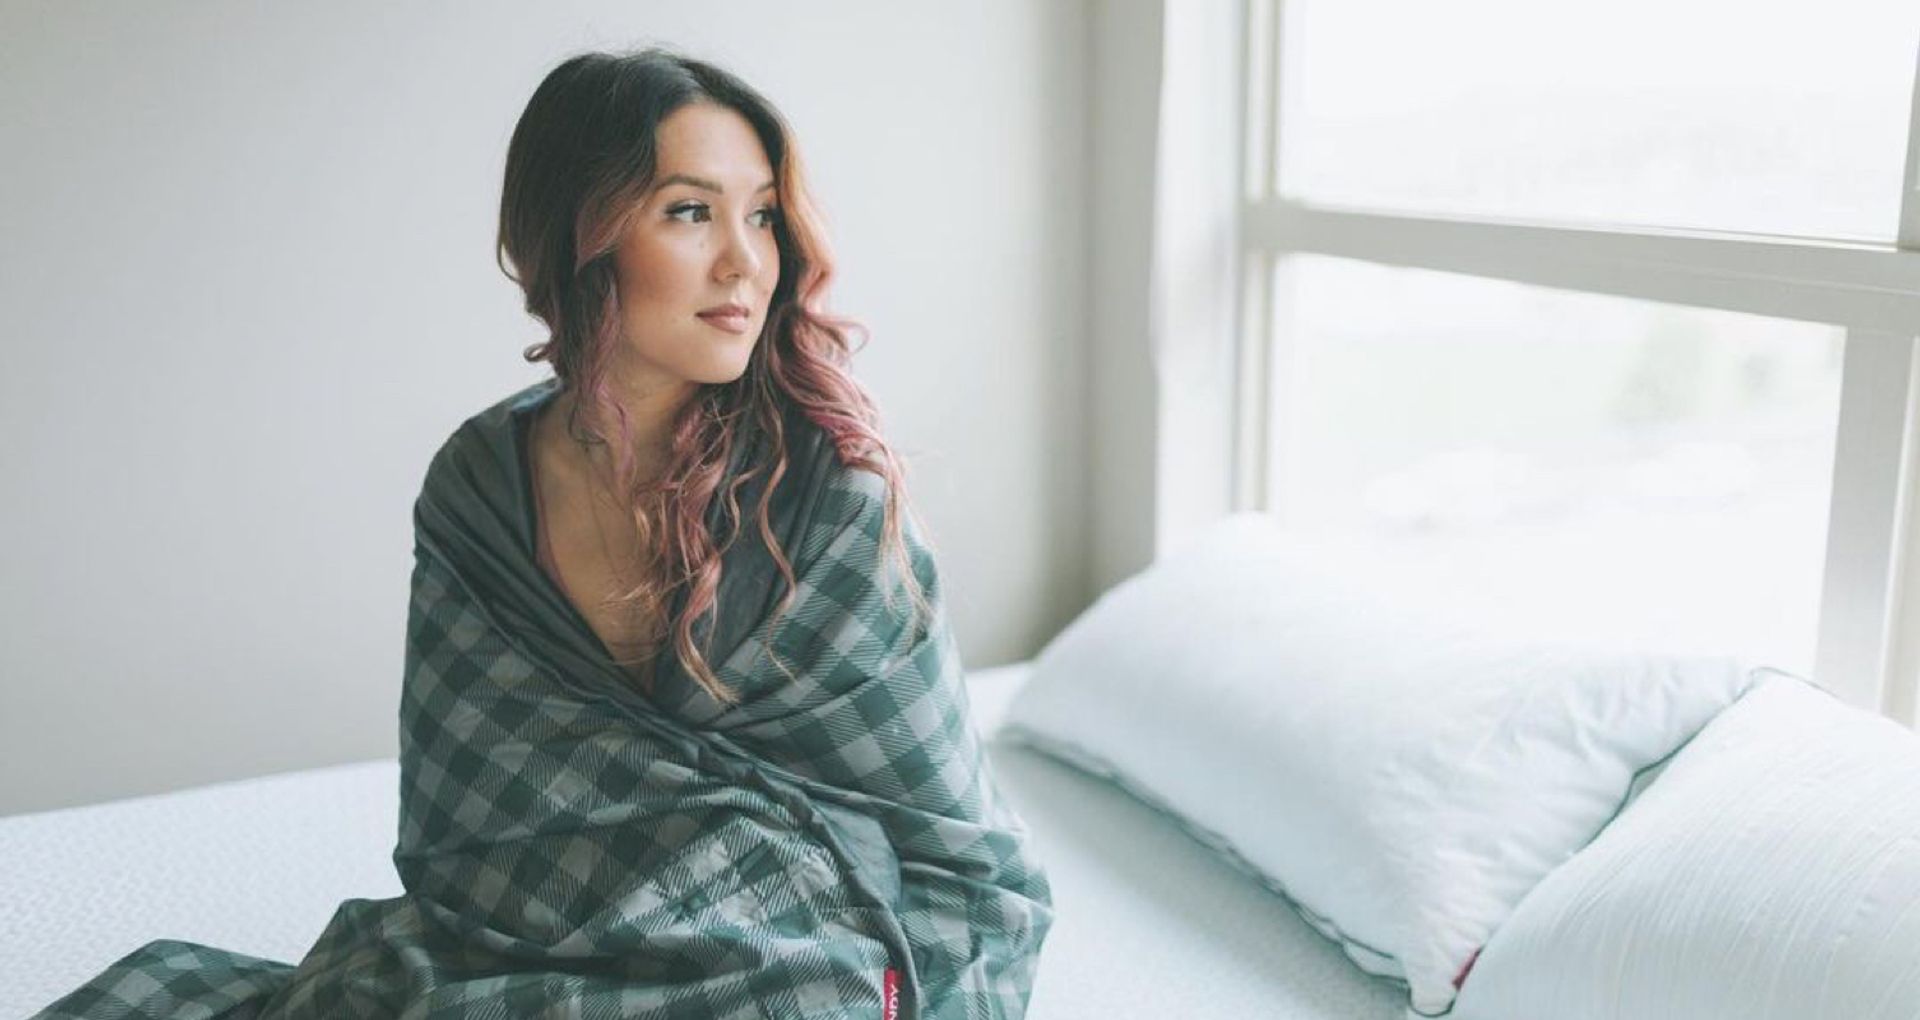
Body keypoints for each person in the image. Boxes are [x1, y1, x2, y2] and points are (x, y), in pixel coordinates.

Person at [35, 45, 1053, 1020]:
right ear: (578, 236)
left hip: (792, 948)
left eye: (766, 217)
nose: (748, 263)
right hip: (528, 937)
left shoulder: (823, 499)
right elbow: (462, 825)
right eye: (691, 213)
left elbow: (957, 854)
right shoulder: (480, 487)